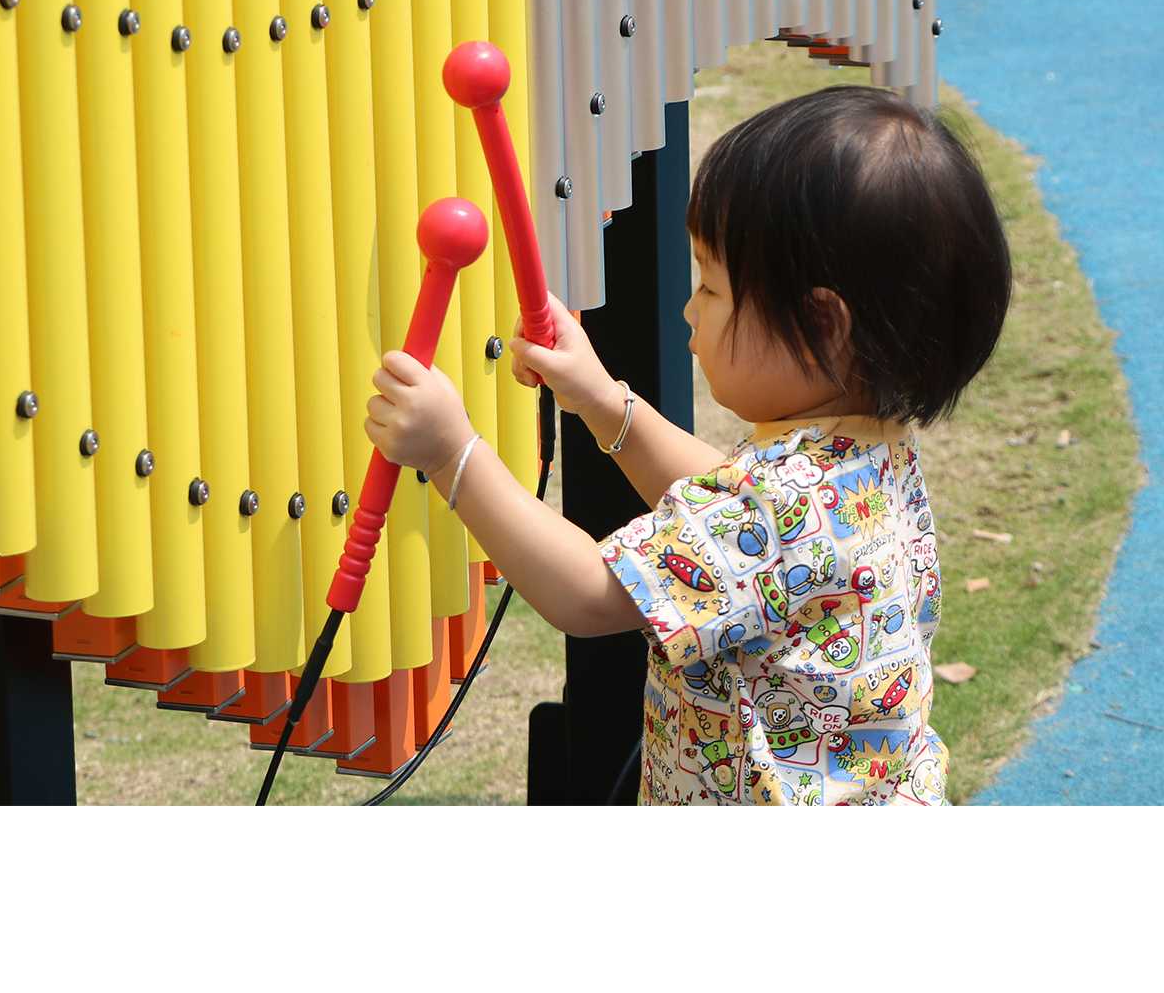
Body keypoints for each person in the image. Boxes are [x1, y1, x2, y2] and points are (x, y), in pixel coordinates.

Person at [364, 84, 1014, 805]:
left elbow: (589, 594)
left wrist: (453, 454)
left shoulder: (783, 501)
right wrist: (602, 401)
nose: (686, 307)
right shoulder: (866, 459)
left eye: (710, 288)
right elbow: (723, 514)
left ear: (822, 325)